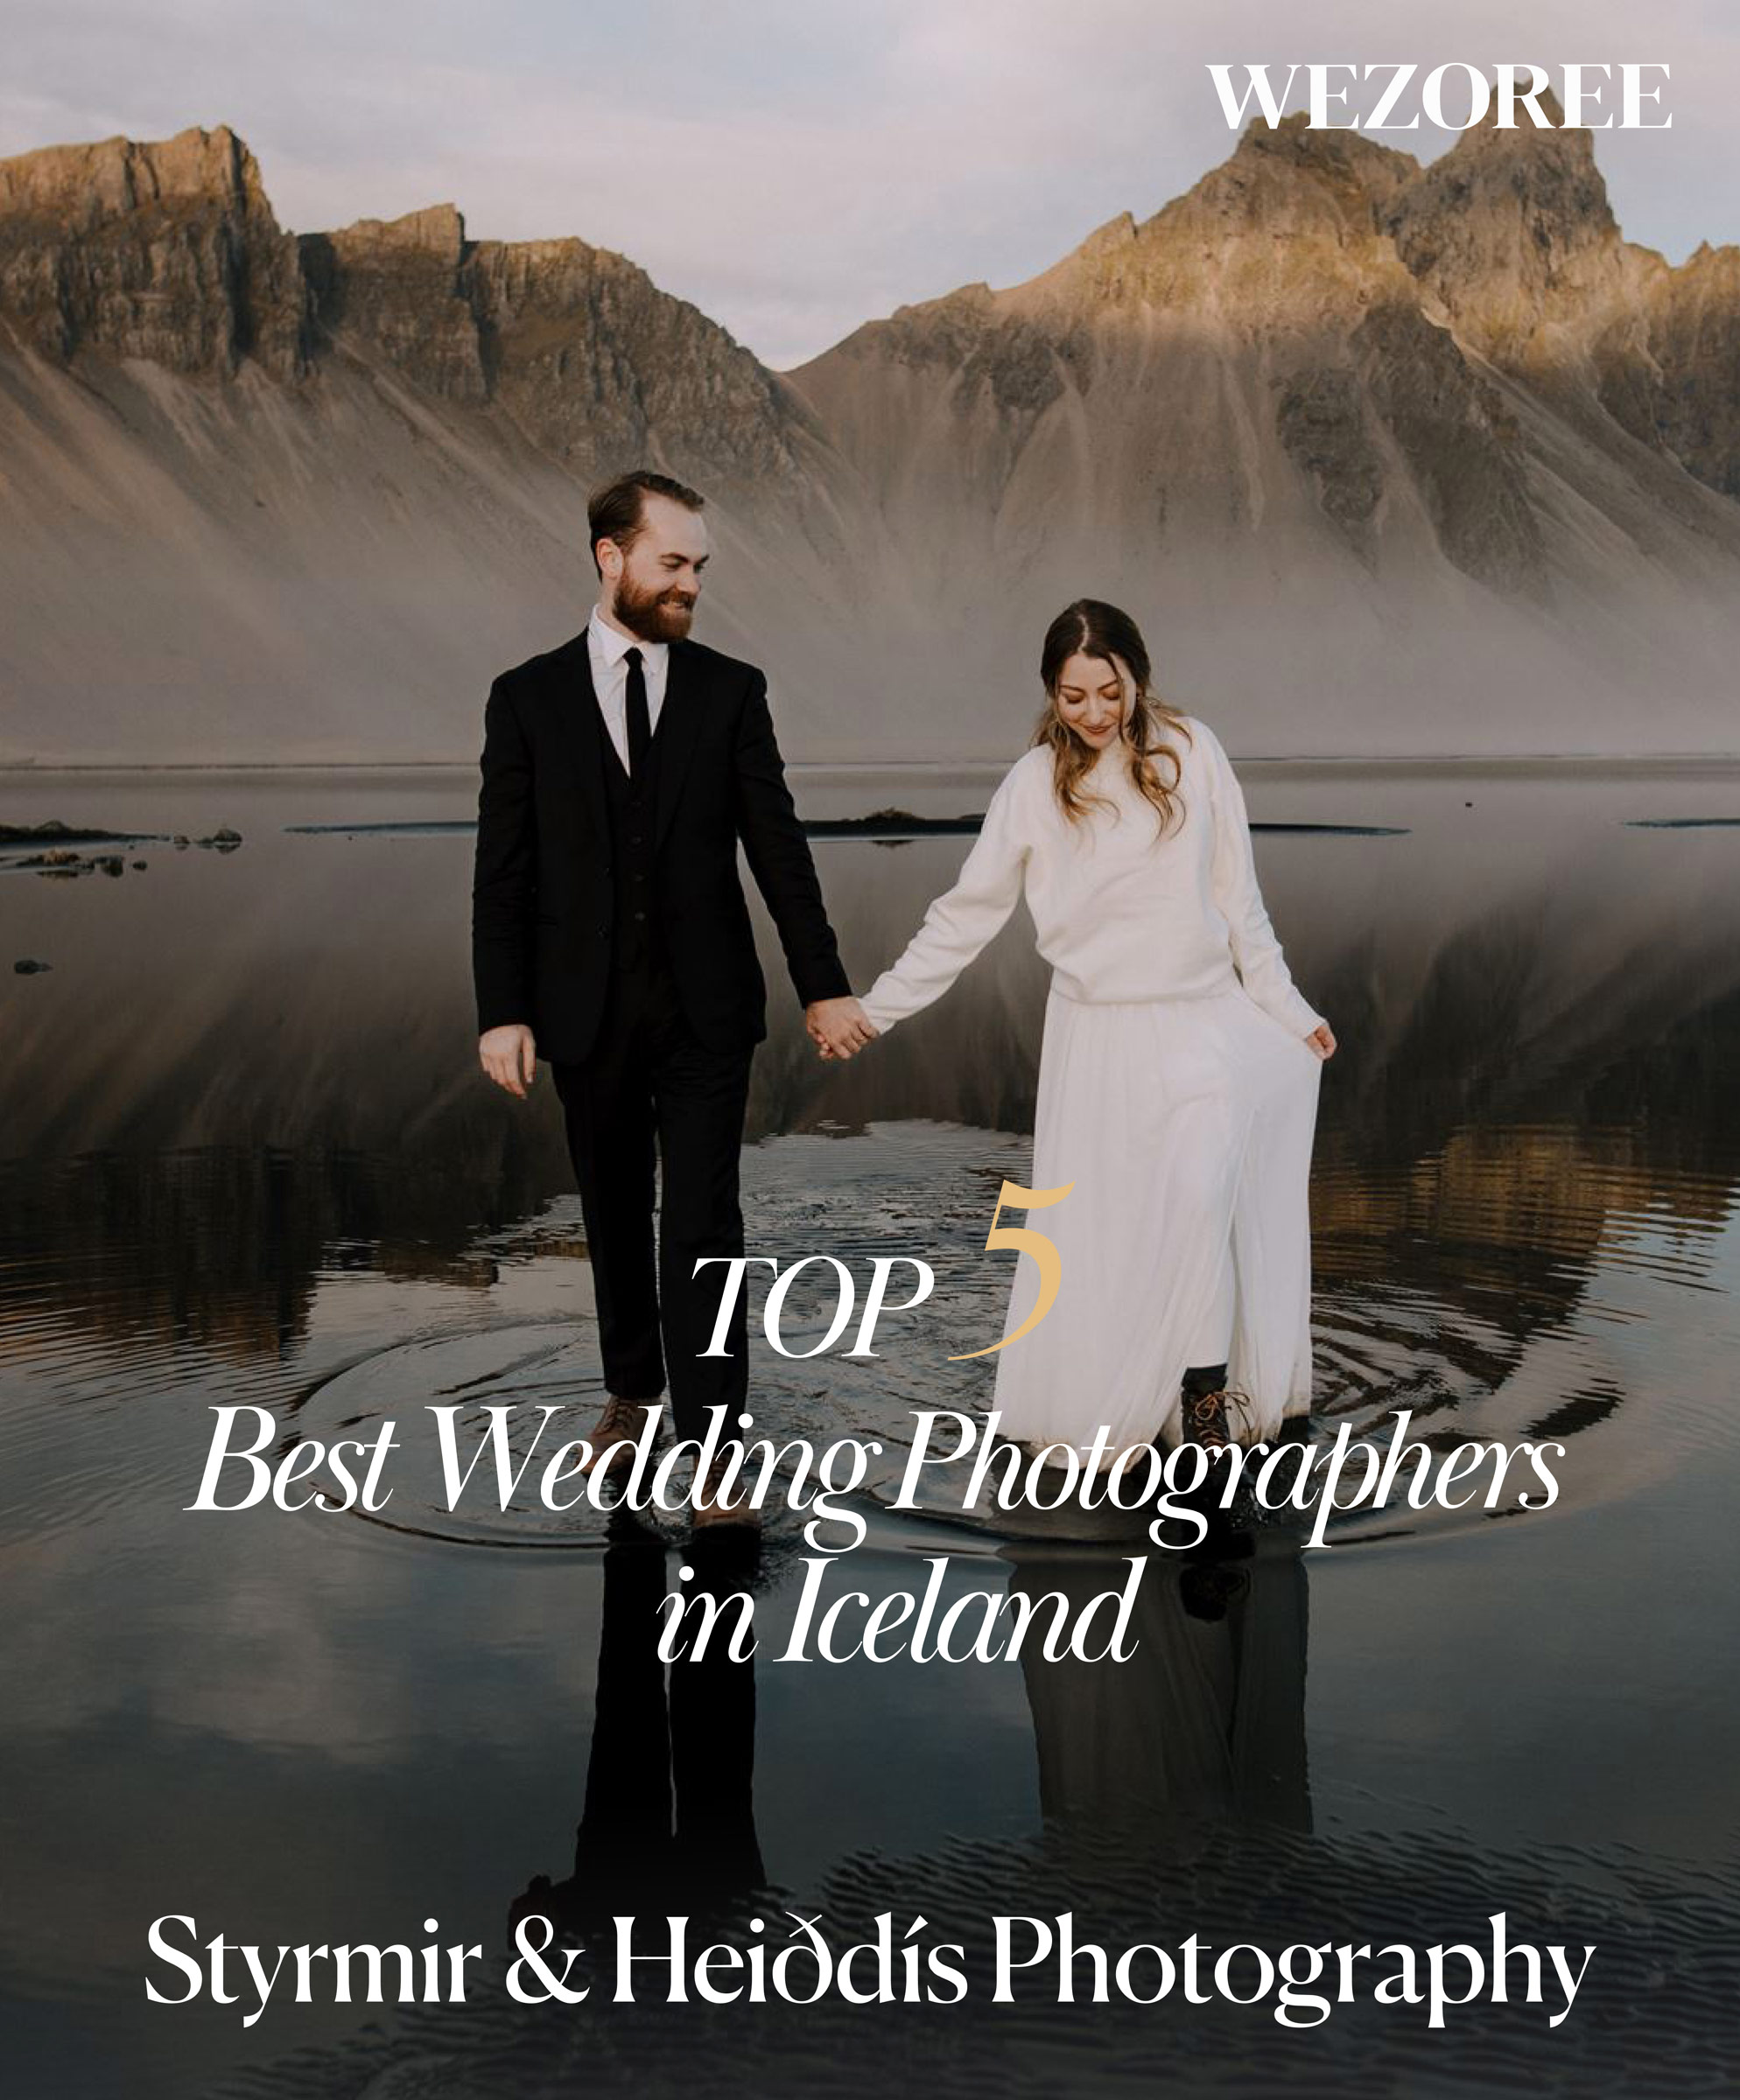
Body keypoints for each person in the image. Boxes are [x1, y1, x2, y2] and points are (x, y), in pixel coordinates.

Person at [830, 598, 1336, 1459]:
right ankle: (1132, 1389)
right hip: (1099, 1040)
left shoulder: (1192, 751)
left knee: (1201, 1198)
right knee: (1123, 1232)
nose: (1094, 713)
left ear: (1138, 677)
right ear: (1049, 694)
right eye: (1073, 697)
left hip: (1205, 1022)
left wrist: (1287, 1008)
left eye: (1110, 692)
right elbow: (965, 915)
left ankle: (1203, 1402)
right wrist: (875, 1009)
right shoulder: (1033, 786)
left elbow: (1236, 897)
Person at [472, 468, 872, 1524]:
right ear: (612, 558)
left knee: (703, 1222)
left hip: (706, 1010)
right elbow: (502, 870)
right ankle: (632, 1393)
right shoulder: (525, 698)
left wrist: (822, 985)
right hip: (581, 1010)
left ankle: (715, 1447)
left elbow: (777, 851)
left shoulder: (731, 692)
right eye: (673, 563)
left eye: (699, 566)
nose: (692, 583)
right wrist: (501, 1009)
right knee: (609, 1207)